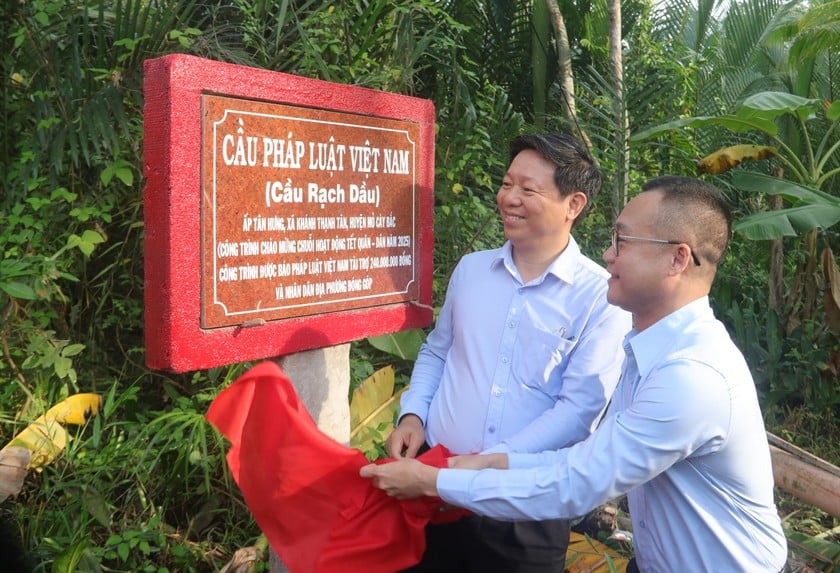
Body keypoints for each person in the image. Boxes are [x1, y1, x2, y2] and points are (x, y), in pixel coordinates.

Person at [362, 176, 790, 573]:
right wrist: (499, 461)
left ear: (677, 259)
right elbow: (585, 457)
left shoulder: (691, 376)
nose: (607, 254)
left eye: (622, 240)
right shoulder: (648, 349)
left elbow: (579, 482)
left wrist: (434, 482)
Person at [384, 132, 632, 572]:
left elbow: (579, 410)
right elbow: (439, 353)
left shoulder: (599, 297)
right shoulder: (472, 270)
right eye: (506, 183)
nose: (509, 198)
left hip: (524, 509)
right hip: (433, 487)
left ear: (574, 205)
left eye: (528, 189)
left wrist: (488, 465)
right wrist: (413, 415)